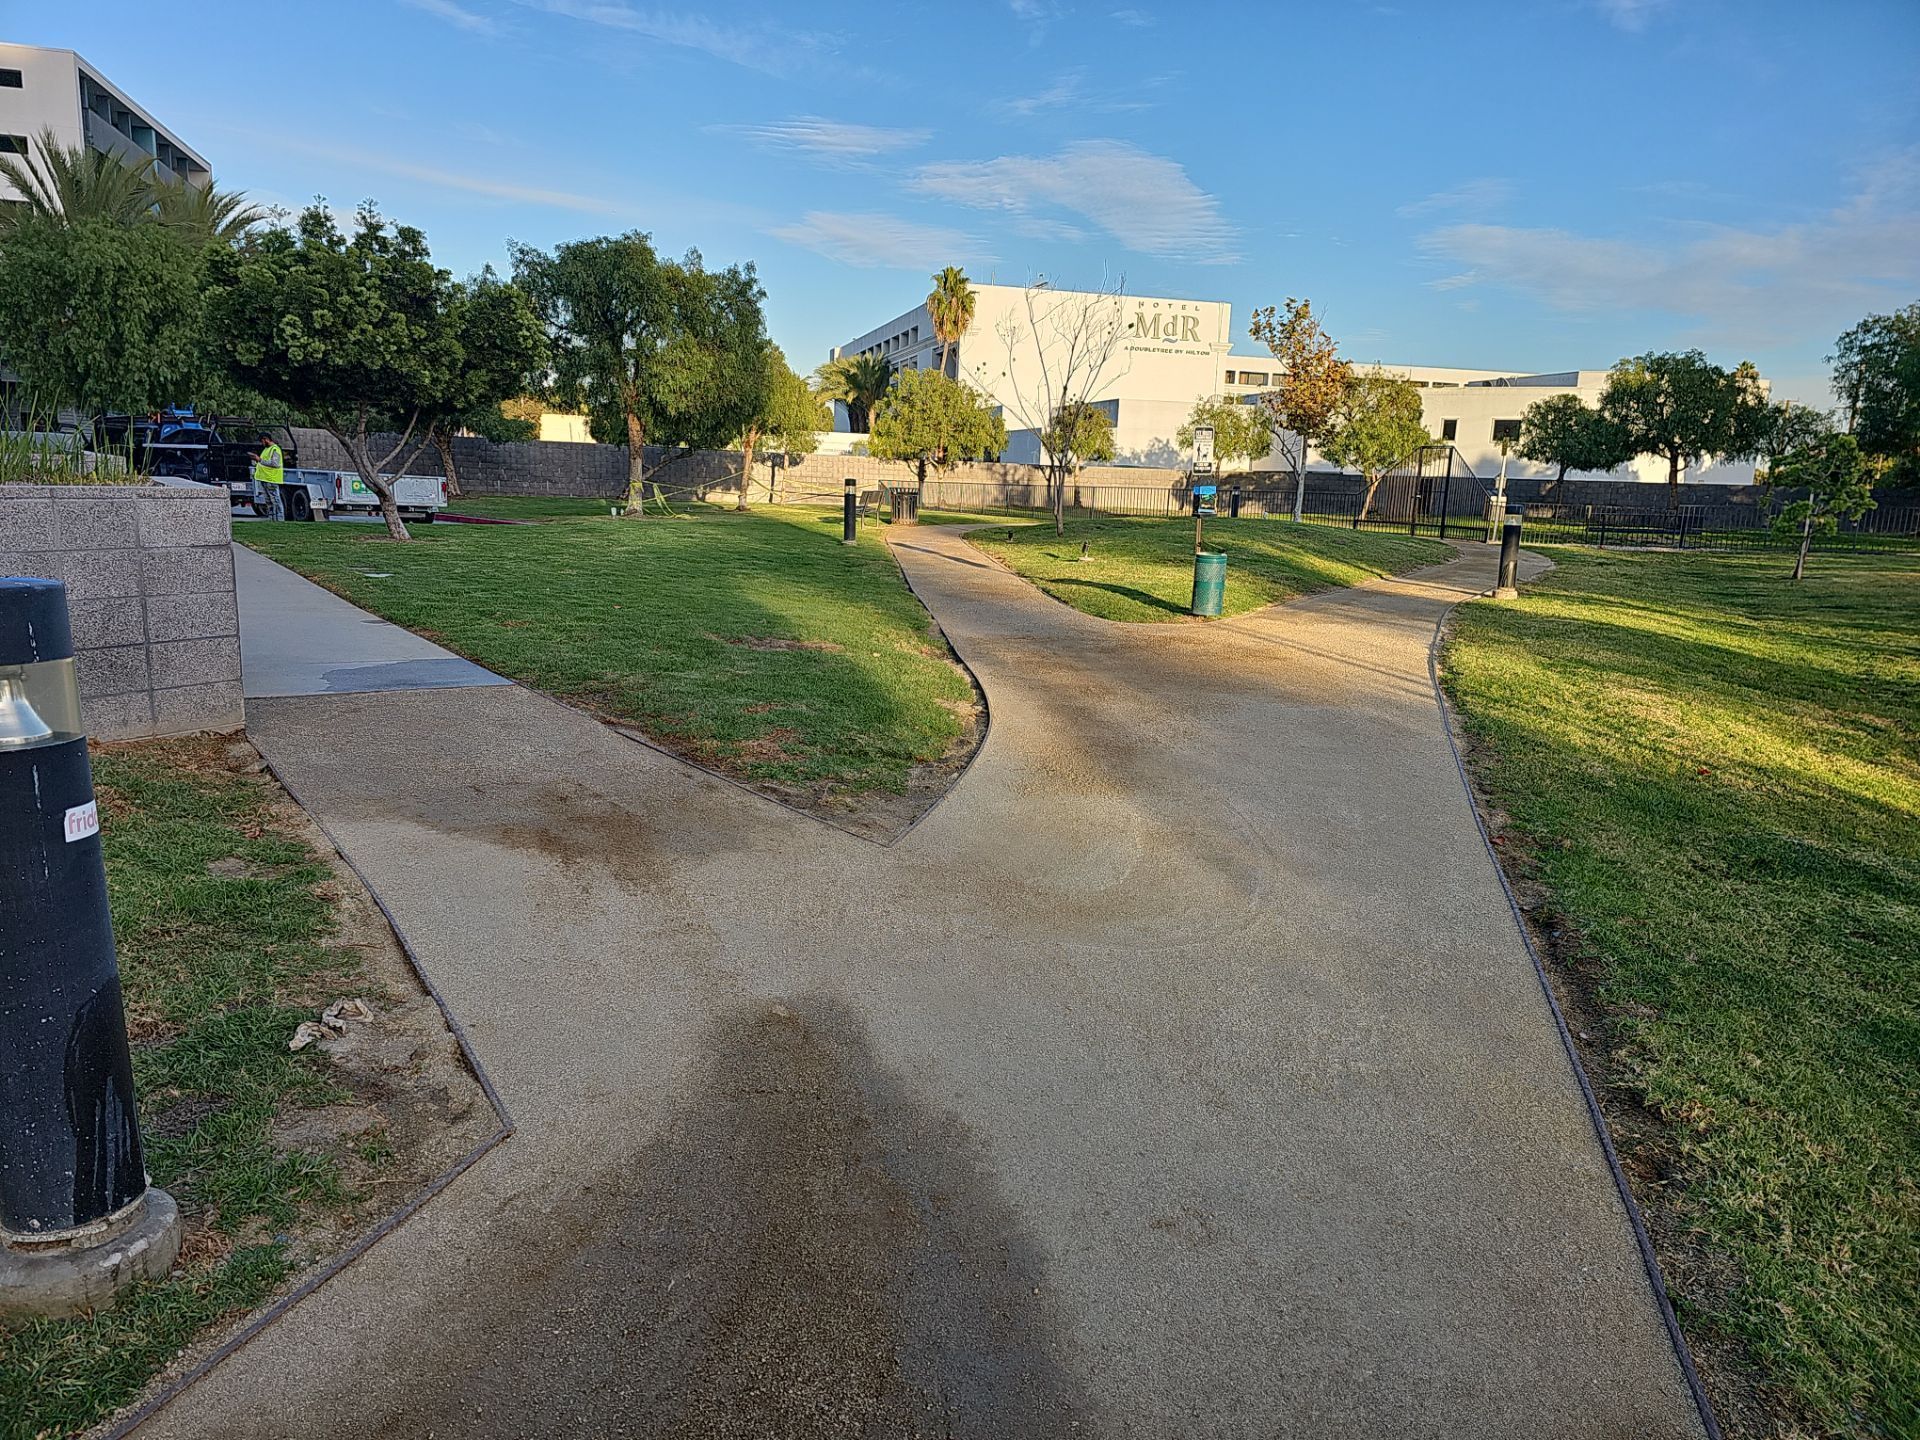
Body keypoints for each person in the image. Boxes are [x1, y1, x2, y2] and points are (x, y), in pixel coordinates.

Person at [251, 433, 285, 517]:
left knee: (275, 501)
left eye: (262, 441)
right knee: (269, 502)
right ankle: (272, 519)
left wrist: (259, 459)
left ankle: (279, 520)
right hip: (265, 479)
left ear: (266, 439)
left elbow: (275, 463)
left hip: (271, 479)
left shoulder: (275, 449)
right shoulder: (267, 449)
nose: (261, 443)